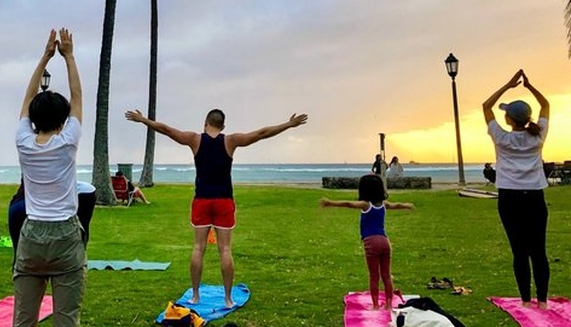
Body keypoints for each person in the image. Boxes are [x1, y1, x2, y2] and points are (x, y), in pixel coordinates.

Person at [125, 108, 308, 309]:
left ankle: (195, 296)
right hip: (224, 201)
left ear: (205, 123)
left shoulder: (195, 139)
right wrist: (288, 125)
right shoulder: (230, 141)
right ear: (223, 127)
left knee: (198, 248)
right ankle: (228, 299)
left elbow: (166, 130)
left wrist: (143, 120)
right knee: (225, 249)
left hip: (202, 200)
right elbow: (260, 134)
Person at [13, 29, 84, 327]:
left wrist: (45, 57)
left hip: (32, 235)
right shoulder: (67, 141)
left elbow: (28, 97)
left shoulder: (23, 141)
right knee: (66, 318)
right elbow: (78, 96)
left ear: (33, 117)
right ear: (63, 119)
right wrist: (69, 56)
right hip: (65, 235)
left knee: (24, 319)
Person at [482, 69, 551, 310]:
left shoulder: (501, 137)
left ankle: (525, 300)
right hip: (534, 196)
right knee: (538, 251)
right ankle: (542, 302)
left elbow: (486, 106)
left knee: (519, 251)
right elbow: (545, 104)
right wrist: (529, 86)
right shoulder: (538, 135)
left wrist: (508, 85)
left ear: (509, 119)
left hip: (510, 197)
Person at [321, 174, 414, 310]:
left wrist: (330, 203)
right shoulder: (383, 205)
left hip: (371, 242)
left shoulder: (365, 205)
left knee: (374, 276)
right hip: (385, 241)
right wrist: (407, 206)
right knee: (386, 275)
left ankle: (376, 305)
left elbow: (348, 204)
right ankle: (388, 304)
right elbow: (397, 205)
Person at [8, 179, 97, 257]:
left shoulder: (24, 201)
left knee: (79, 228)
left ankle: (77, 256)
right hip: (87, 190)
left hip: (83, 193)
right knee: (81, 227)